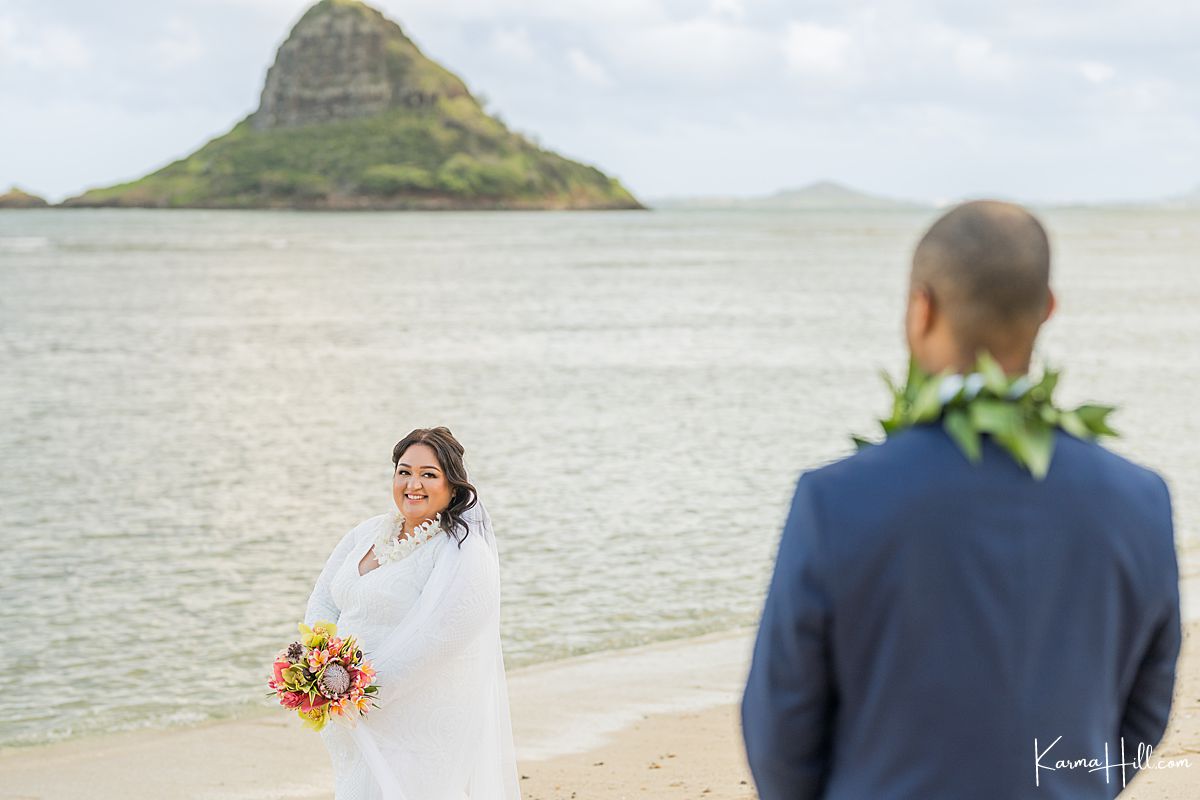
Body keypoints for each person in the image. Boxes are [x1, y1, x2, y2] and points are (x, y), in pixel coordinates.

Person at [741, 201, 1181, 799]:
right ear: (1047, 309)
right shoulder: (1140, 502)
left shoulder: (834, 501)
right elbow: (1146, 708)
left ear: (920, 308)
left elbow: (780, 726)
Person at [305, 426, 521, 800]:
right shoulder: (366, 533)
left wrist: (359, 692)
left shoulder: (463, 554)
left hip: (411, 723)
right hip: (351, 717)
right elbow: (324, 599)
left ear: (453, 487)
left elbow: (439, 639)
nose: (413, 484)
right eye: (404, 471)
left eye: (428, 474)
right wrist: (315, 666)